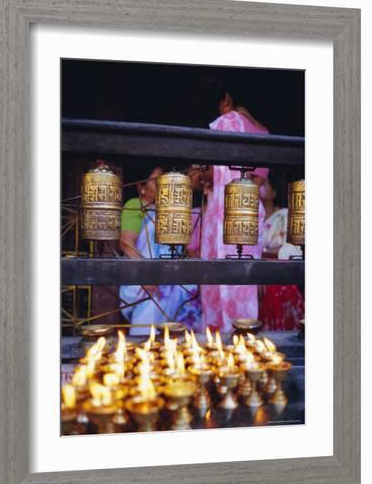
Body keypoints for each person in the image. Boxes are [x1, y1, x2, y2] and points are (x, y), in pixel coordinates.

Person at [198, 90, 270, 333]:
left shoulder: (223, 124)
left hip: (222, 211)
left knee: (219, 275)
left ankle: (219, 337)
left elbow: (211, 173)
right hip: (248, 211)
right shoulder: (263, 131)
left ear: (226, 99)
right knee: (244, 276)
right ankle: (244, 331)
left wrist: (203, 176)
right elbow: (258, 182)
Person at [119, 167, 202, 335]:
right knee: (147, 332)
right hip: (145, 277)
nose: (160, 184)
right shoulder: (135, 205)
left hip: (170, 278)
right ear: (142, 186)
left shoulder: (172, 210)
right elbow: (126, 244)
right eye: (154, 180)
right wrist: (146, 273)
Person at [258, 172, 304, 330]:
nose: (260, 189)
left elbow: (291, 249)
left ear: (274, 192)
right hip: (257, 271)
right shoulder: (254, 217)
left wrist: (261, 252)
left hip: (278, 274)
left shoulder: (284, 215)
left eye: (265, 185)